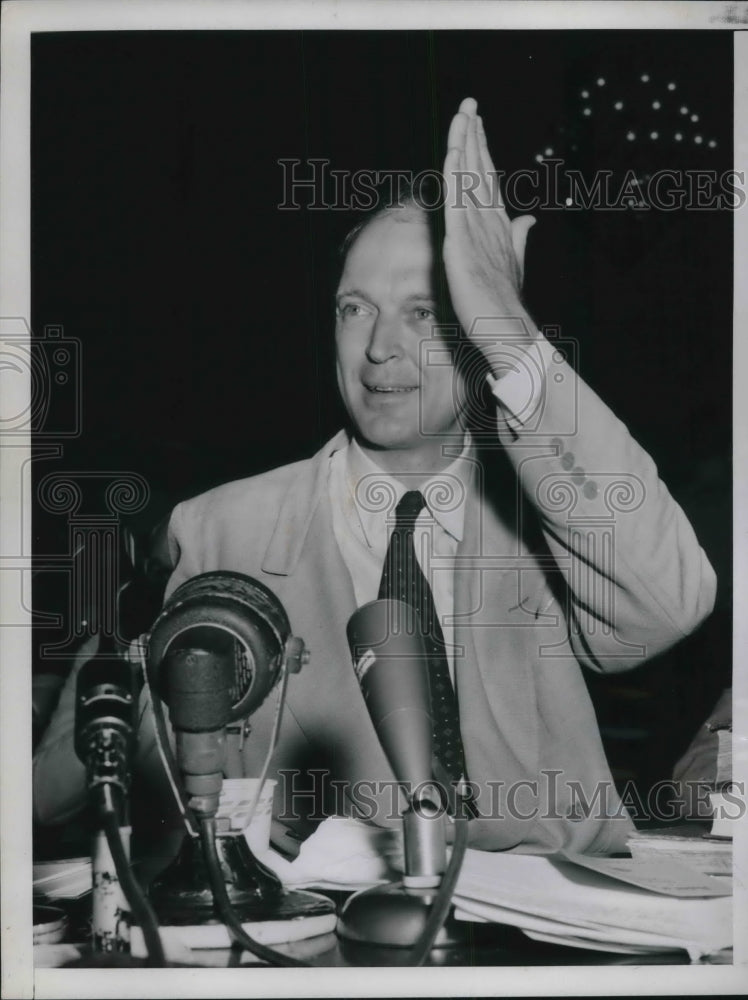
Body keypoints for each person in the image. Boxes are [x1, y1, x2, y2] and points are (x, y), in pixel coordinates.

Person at [34, 99, 716, 857]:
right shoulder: (220, 530)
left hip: (550, 940)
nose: (380, 348)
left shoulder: (548, 513)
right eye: (355, 308)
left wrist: (511, 335)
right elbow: (68, 790)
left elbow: (670, 601)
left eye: (424, 313)